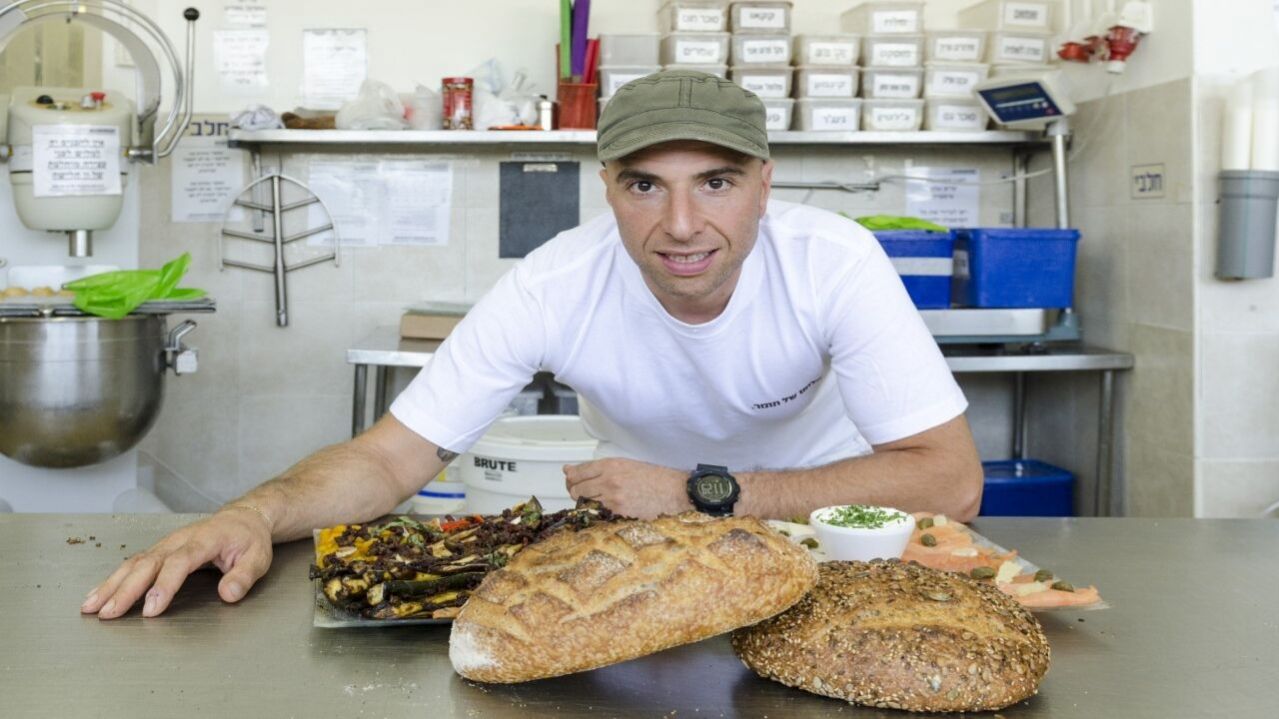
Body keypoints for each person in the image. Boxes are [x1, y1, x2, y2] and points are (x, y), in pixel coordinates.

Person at [82, 70, 982, 620]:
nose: (680, 224)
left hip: (832, 537)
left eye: (714, 182)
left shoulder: (832, 261)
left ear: (763, 184)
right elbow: (392, 458)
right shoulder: (556, 283)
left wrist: (702, 491)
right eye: (644, 185)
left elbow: (948, 480)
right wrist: (252, 514)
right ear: (606, 186)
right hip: (646, 556)